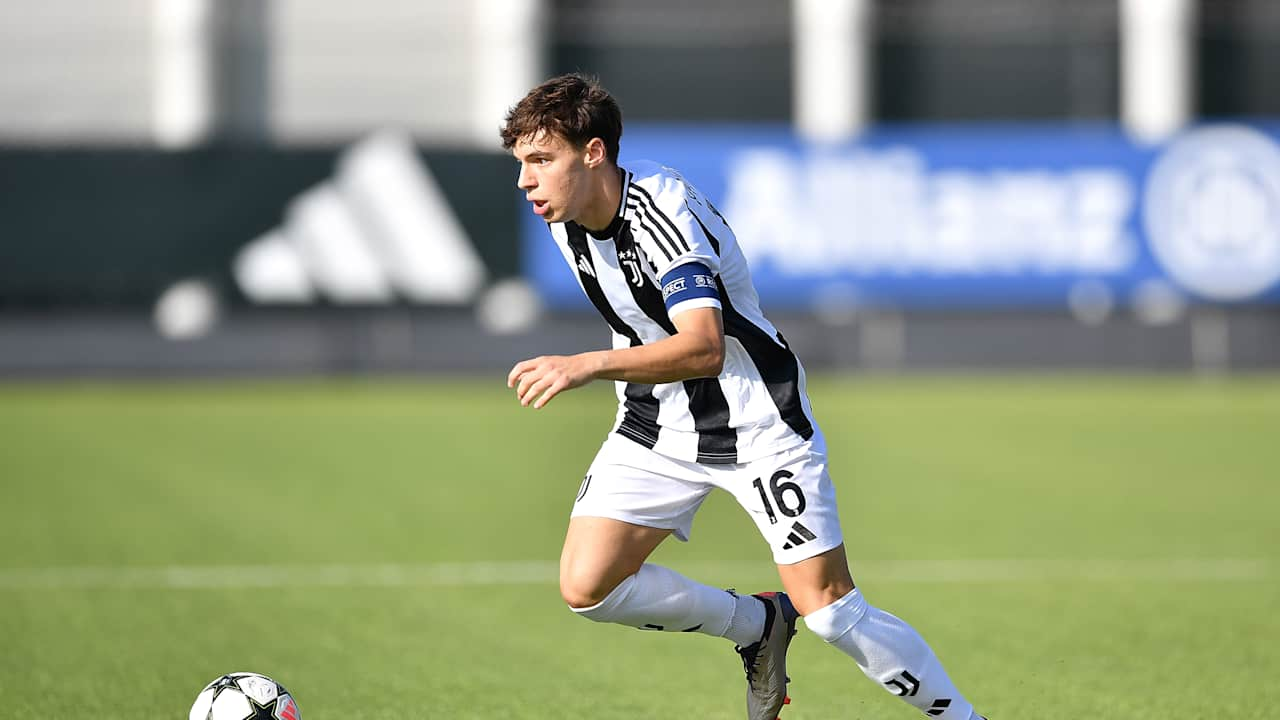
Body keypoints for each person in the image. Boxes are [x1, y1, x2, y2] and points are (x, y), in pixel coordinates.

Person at [502, 73, 986, 720]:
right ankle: (757, 628)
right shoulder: (566, 219)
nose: (525, 181)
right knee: (586, 586)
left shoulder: (658, 211)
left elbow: (703, 345)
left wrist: (588, 365)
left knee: (832, 613)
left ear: (594, 153)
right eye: (521, 164)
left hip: (757, 419)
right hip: (656, 422)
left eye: (541, 160)